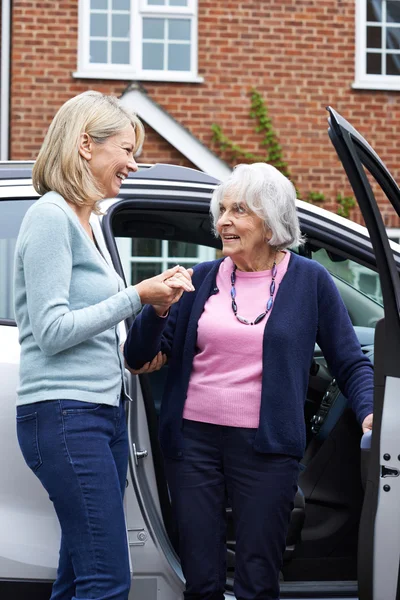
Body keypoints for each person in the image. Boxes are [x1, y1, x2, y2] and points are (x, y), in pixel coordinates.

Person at [123, 162, 374, 600]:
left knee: (258, 578)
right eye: (221, 209)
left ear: (270, 218)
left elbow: (349, 359)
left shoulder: (310, 281)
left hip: (267, 447)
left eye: (238, 210)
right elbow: (139, 356)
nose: (223, 221)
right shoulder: (199, 280)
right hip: (192, 443)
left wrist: (372, 412)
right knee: (201, 579)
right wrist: (157, 307)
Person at [13, 90, 194, 600]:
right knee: (106, 581)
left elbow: (90, 326)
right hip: (69, 417)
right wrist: (137, 295)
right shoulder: (51, 217)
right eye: (128, 150)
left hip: (102, 415)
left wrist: (139, 341)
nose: (133, 165)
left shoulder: (85, 223)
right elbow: (51, 332)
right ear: (87, 145)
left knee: (77, 578)